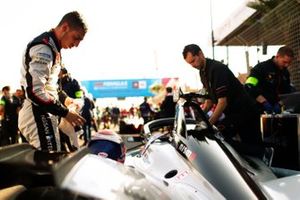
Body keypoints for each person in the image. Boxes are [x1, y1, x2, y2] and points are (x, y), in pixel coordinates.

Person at [18, 11, 87, 151]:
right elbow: (35, 91)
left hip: (45, 112)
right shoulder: (43, 48)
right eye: (76, 38)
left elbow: (51, 87)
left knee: (56, 158)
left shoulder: (54, 48)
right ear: (65, 27)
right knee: (48, 164)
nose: (76, 44)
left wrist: (66, 100)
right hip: (36, 113)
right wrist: (65, 112)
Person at [182, 44, 265, 159]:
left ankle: (265, 157)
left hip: (245, 111)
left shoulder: (217, 69)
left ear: (200, 54)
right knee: (220, 136)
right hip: (233, 113)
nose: (192, 65)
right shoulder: (202, 72)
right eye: (190, 63)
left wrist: (209, 124)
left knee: (225, 137)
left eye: (193, 61)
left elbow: (222, 102)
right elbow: (210, 99)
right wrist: (201, 115)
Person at [245, 46, 295, 114]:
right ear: (277, 56)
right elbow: (249, 86)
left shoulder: (285, 73)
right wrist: (264, 102)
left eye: (289, 63)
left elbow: (287, 92)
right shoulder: (261, 68)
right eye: (284, 62)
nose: (286, 65)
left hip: (277, 110)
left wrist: (280, 104)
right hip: (258, 109)